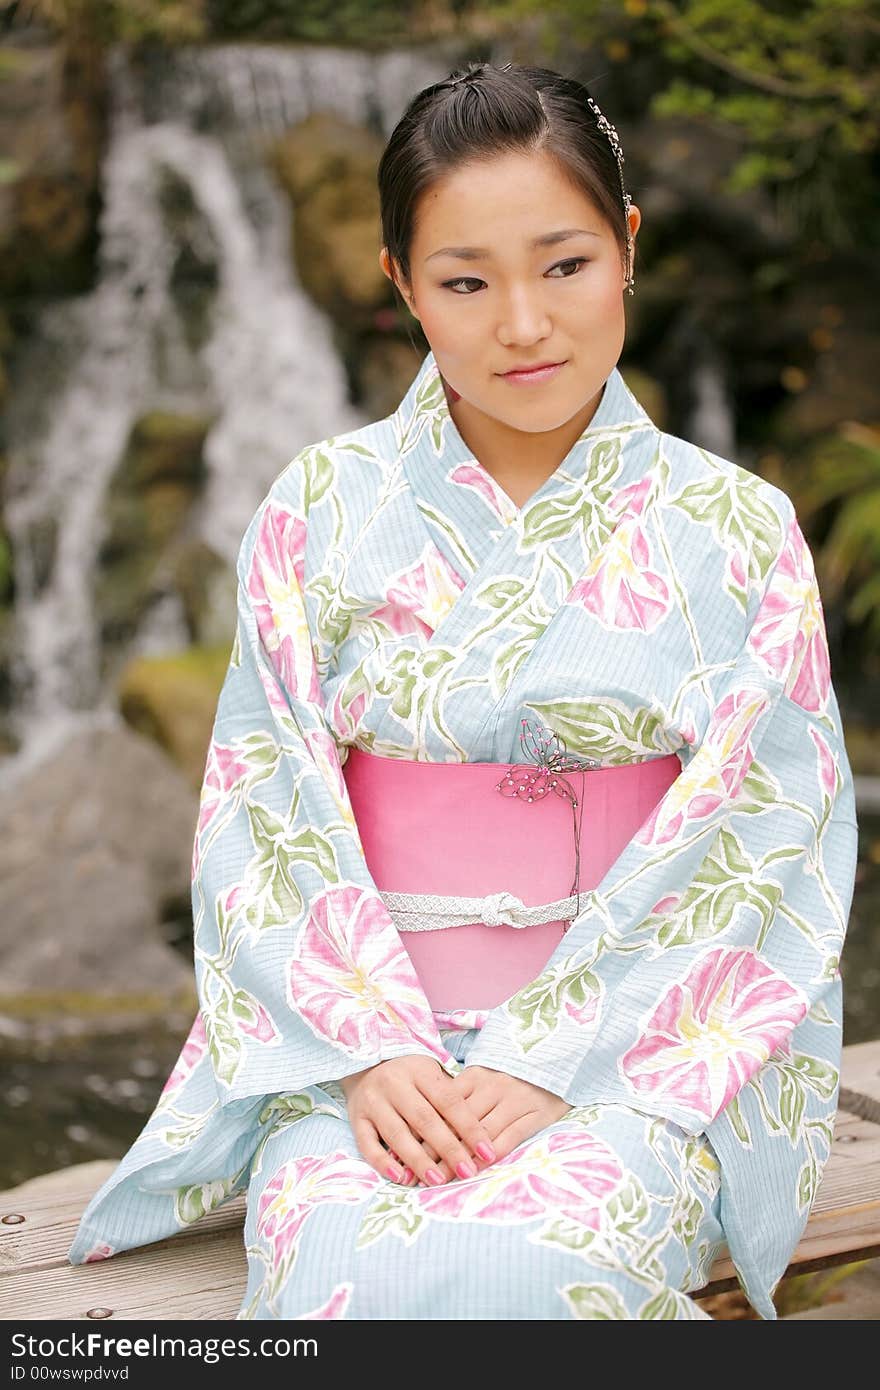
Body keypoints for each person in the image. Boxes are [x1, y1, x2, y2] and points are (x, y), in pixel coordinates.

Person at [68, 61, 858, 1321]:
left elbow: (771, 833)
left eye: (564, 266)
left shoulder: (734, 528)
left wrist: (561, 1055)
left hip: (638, 1050)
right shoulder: (322, 508)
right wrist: (375, 1049)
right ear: (398, 284)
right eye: (464, 282)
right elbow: (262, 806)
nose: (525, 325)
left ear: (627, 243)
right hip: (367, 1056)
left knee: (542, 1264)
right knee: (347, 1265)